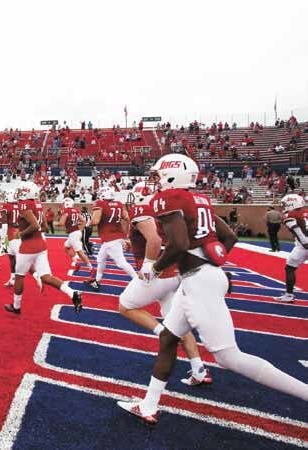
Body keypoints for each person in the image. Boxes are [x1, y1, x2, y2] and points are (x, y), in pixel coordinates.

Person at [118, 154, 308, 425]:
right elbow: (229, 237)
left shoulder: (168, 198)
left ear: (171, 175)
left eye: (159, 174)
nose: (156, 179)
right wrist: (211, 267)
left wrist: (156, 268)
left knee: (230, 357)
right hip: (201, 277)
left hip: (198, 280)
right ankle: (149, 405)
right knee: (169, 339)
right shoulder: (200, 199)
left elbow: (179, 244)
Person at [119, 181, 211, 386]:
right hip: (174, 273)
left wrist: (149, 266)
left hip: (158, 274)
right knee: (177, 320)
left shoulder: (141, 208)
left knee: (125, 306)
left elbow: (154, 240)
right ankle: (199, 369)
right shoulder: (164, 208)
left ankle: (164, 334)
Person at [4, 181, 83, 314]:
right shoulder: (38, 205)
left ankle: (16, 307)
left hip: (28, 246)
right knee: (46, 276)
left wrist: (20, 233)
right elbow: (44, 227)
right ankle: (72, 293)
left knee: (19, 277)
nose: (18, 193)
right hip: (41, 245)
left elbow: (35, 225)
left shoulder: (24, 204)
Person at [88, 186, 138, 291]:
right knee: (100, 259)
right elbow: (127, 218)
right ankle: (97, 281)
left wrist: (88, 222)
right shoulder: (119, 204)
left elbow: (95, 221)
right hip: (119, 237)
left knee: (121, 262)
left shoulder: (101, 204)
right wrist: (127, 237)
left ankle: (138, 281)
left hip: (109, 239)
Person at [276, 194, 308, 303]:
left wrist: (305, 244)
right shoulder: (304, 212)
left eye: (285, 204)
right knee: (290, 267)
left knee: (290, 268)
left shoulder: (290, 215)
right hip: (302, 245)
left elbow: (299, 234)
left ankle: (289, 295)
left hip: (304, 244)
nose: (283, 206)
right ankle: (288, 294)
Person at [57, 197, 93, 273]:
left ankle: (91, 268)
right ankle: (76, 263)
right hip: (76, 233)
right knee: (67, 246)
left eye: (64, 204)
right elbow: (83, 221)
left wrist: (54, 223)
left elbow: (61, 223)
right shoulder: (75, 210)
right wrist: (80, 230)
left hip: (73, 234)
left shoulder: (66, 211)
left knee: (80, 252)